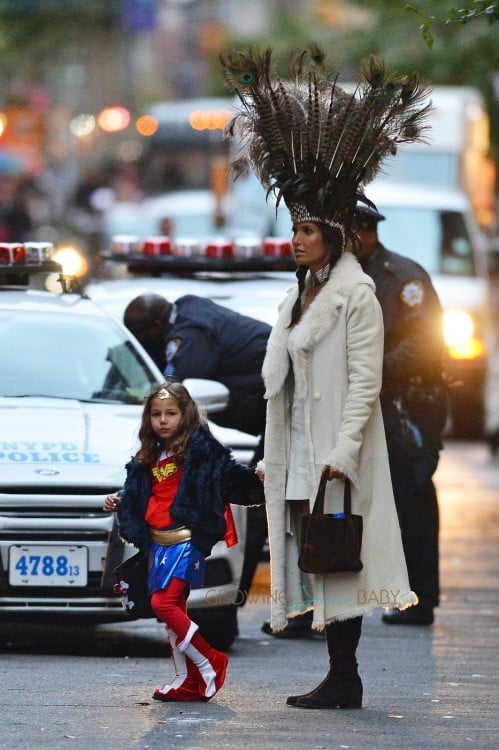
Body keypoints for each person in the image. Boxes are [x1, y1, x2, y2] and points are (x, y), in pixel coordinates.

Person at [221, 44, 432, 709]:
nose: (296, 239)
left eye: (307, 230)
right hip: (299, 452)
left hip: (338, 455)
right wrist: (271, 456)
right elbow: (282, 383)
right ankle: (339, 675)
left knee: (339, 559)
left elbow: (365, 379)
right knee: (317, 561)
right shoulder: (298, 295)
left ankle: (344, 677)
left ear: (335, 237)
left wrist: (342, 451)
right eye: (293, 228)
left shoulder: (357, 295)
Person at [103, 380, 264, 702]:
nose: (163, 420)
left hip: (187, 540)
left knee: (163, 604)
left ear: (186, 414)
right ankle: (185, 680)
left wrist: (259, 477)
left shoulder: (202, 450)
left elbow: (230, 477)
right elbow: (143, 495)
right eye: (157, 414)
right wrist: (121, 500)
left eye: (171, 413)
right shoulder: (147, 456)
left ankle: (210, 662)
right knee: (171, 609)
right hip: (156, 542)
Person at [123, 292, 271, 609]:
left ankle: (233, 602)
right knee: (264, 503)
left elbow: (174, 397)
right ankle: (236, 600)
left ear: (158, 326)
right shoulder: (187, 310)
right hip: (271, 411)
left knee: (261, 505)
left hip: (285, 414)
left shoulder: (188, 336)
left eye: (141, 337)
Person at [351, 204, 447, 625]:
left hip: (409, 402)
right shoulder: (345, 275)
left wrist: (374, 369)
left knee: (412, 497)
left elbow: (425, 342)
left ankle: (420, 597)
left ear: (366, 232)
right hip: (374, 399)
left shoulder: (403, 277)